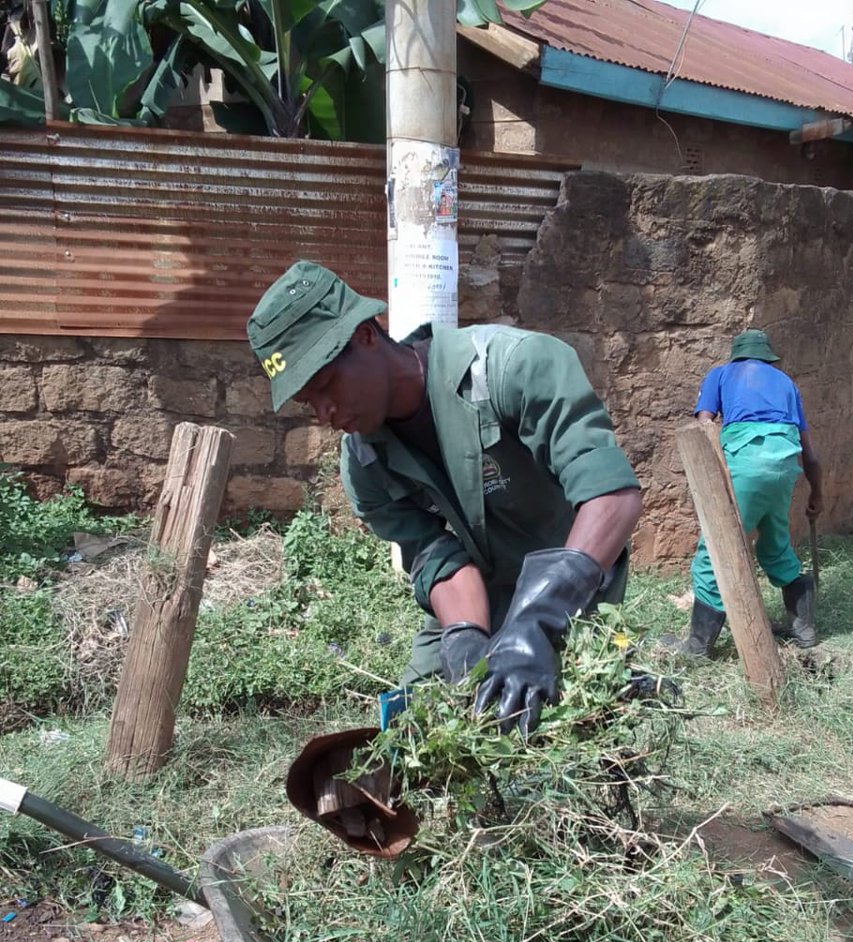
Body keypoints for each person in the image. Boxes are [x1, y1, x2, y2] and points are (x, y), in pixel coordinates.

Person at [248, 260, 642, 735]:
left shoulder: (515, 367)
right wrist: (466, 641)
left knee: (561, 728)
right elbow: (436, 557)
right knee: (414, 730)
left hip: (572, 580)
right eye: (308, 402)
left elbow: (611, 496)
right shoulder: (364, 465)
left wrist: (535, 622)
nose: (325, 413)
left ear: (366, 336)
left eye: (326, 385)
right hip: (481, 591)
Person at [664, 329, 823, 657]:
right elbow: (810, 454)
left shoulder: (720, 374)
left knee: (715, 549)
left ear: (736, 354)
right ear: (768, 357)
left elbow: (703, 425)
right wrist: (816, 493)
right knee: (775, 543)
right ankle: (803, 627)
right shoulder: (786, 383)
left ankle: (697, 646)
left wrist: (713, 481)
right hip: (785, 465)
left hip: (746, 462)